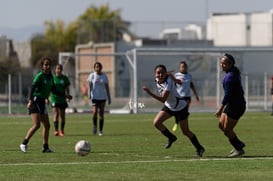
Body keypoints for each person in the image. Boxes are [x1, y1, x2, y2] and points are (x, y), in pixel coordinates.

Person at [143, 64, 205, 157]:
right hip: (169, 106)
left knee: (185, 131)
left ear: (165, 74)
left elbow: (163, 99)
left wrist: (149, 93)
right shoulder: (157, 80)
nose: (160, 75)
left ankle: (199, 148)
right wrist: (175, 79)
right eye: (158, 73)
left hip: (180, 107)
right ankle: (171, 137)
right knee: (156, 122)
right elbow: (176, 83)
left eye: (162, 73)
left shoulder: (169, 82)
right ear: (154, 74)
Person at [19, 57, 70, 153]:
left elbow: (54, 90)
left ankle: (45, 147)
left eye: (49, 64)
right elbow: (32, 88)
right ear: (42, 66)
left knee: (47, 125)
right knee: (37, 125)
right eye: (46, 64)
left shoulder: (50, 77)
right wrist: (29, 101)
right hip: (35, 101)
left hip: (42, 102)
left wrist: (65, 95)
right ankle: (23, 144)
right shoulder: (39, 76)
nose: (48, 66)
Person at [214, 53, 246, 157]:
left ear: (230, 64)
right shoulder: (231, 72)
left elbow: (227, 95)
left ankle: (238, 149)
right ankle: (238, 143)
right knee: (221, 125)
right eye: (221, 63)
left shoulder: (230, 77)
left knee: (227, 130)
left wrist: (219, 109)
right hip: (232, 105)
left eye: (224, 64)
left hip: (237, 106)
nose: (221, 65)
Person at [170, 61, 200, 131]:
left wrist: (196, 95)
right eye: (182, 66)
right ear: (179, 68)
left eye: (185, 66)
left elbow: (191, 85)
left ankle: (185, 126)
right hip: (178, 96)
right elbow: (173, 85)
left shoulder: (189, 75)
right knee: (176, 112)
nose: (184, 68)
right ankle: (177, 122)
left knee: (185, 112)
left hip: (187, 96)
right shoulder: (176, 75)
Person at [87, 62, 111, 136]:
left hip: (102, 97)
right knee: (94, 112)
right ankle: (95, 126)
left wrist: (109, 97)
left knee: (101, 114)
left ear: (101, 68)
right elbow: (90, 85)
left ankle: (100, 130)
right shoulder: (92, 75)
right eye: (96, 67)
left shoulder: (104, 76)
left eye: (99, 66)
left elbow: (107, 87)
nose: (97, 68)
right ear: (94, 68)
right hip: (94, 97)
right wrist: (89, 94)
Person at [51, 64, 72, 136]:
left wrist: (68, 97)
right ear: (55, 69)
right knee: (56, 114)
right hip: (54, 99)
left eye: (60, 69)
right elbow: (49, 88)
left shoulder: (64, 78)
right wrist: (47, 98)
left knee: (62, 116)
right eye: (57, 69)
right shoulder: (52, 78)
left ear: (62, 70)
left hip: (62, 99)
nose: (59, 70)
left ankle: (62, 131)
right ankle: (56, 130)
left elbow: (67, 88)